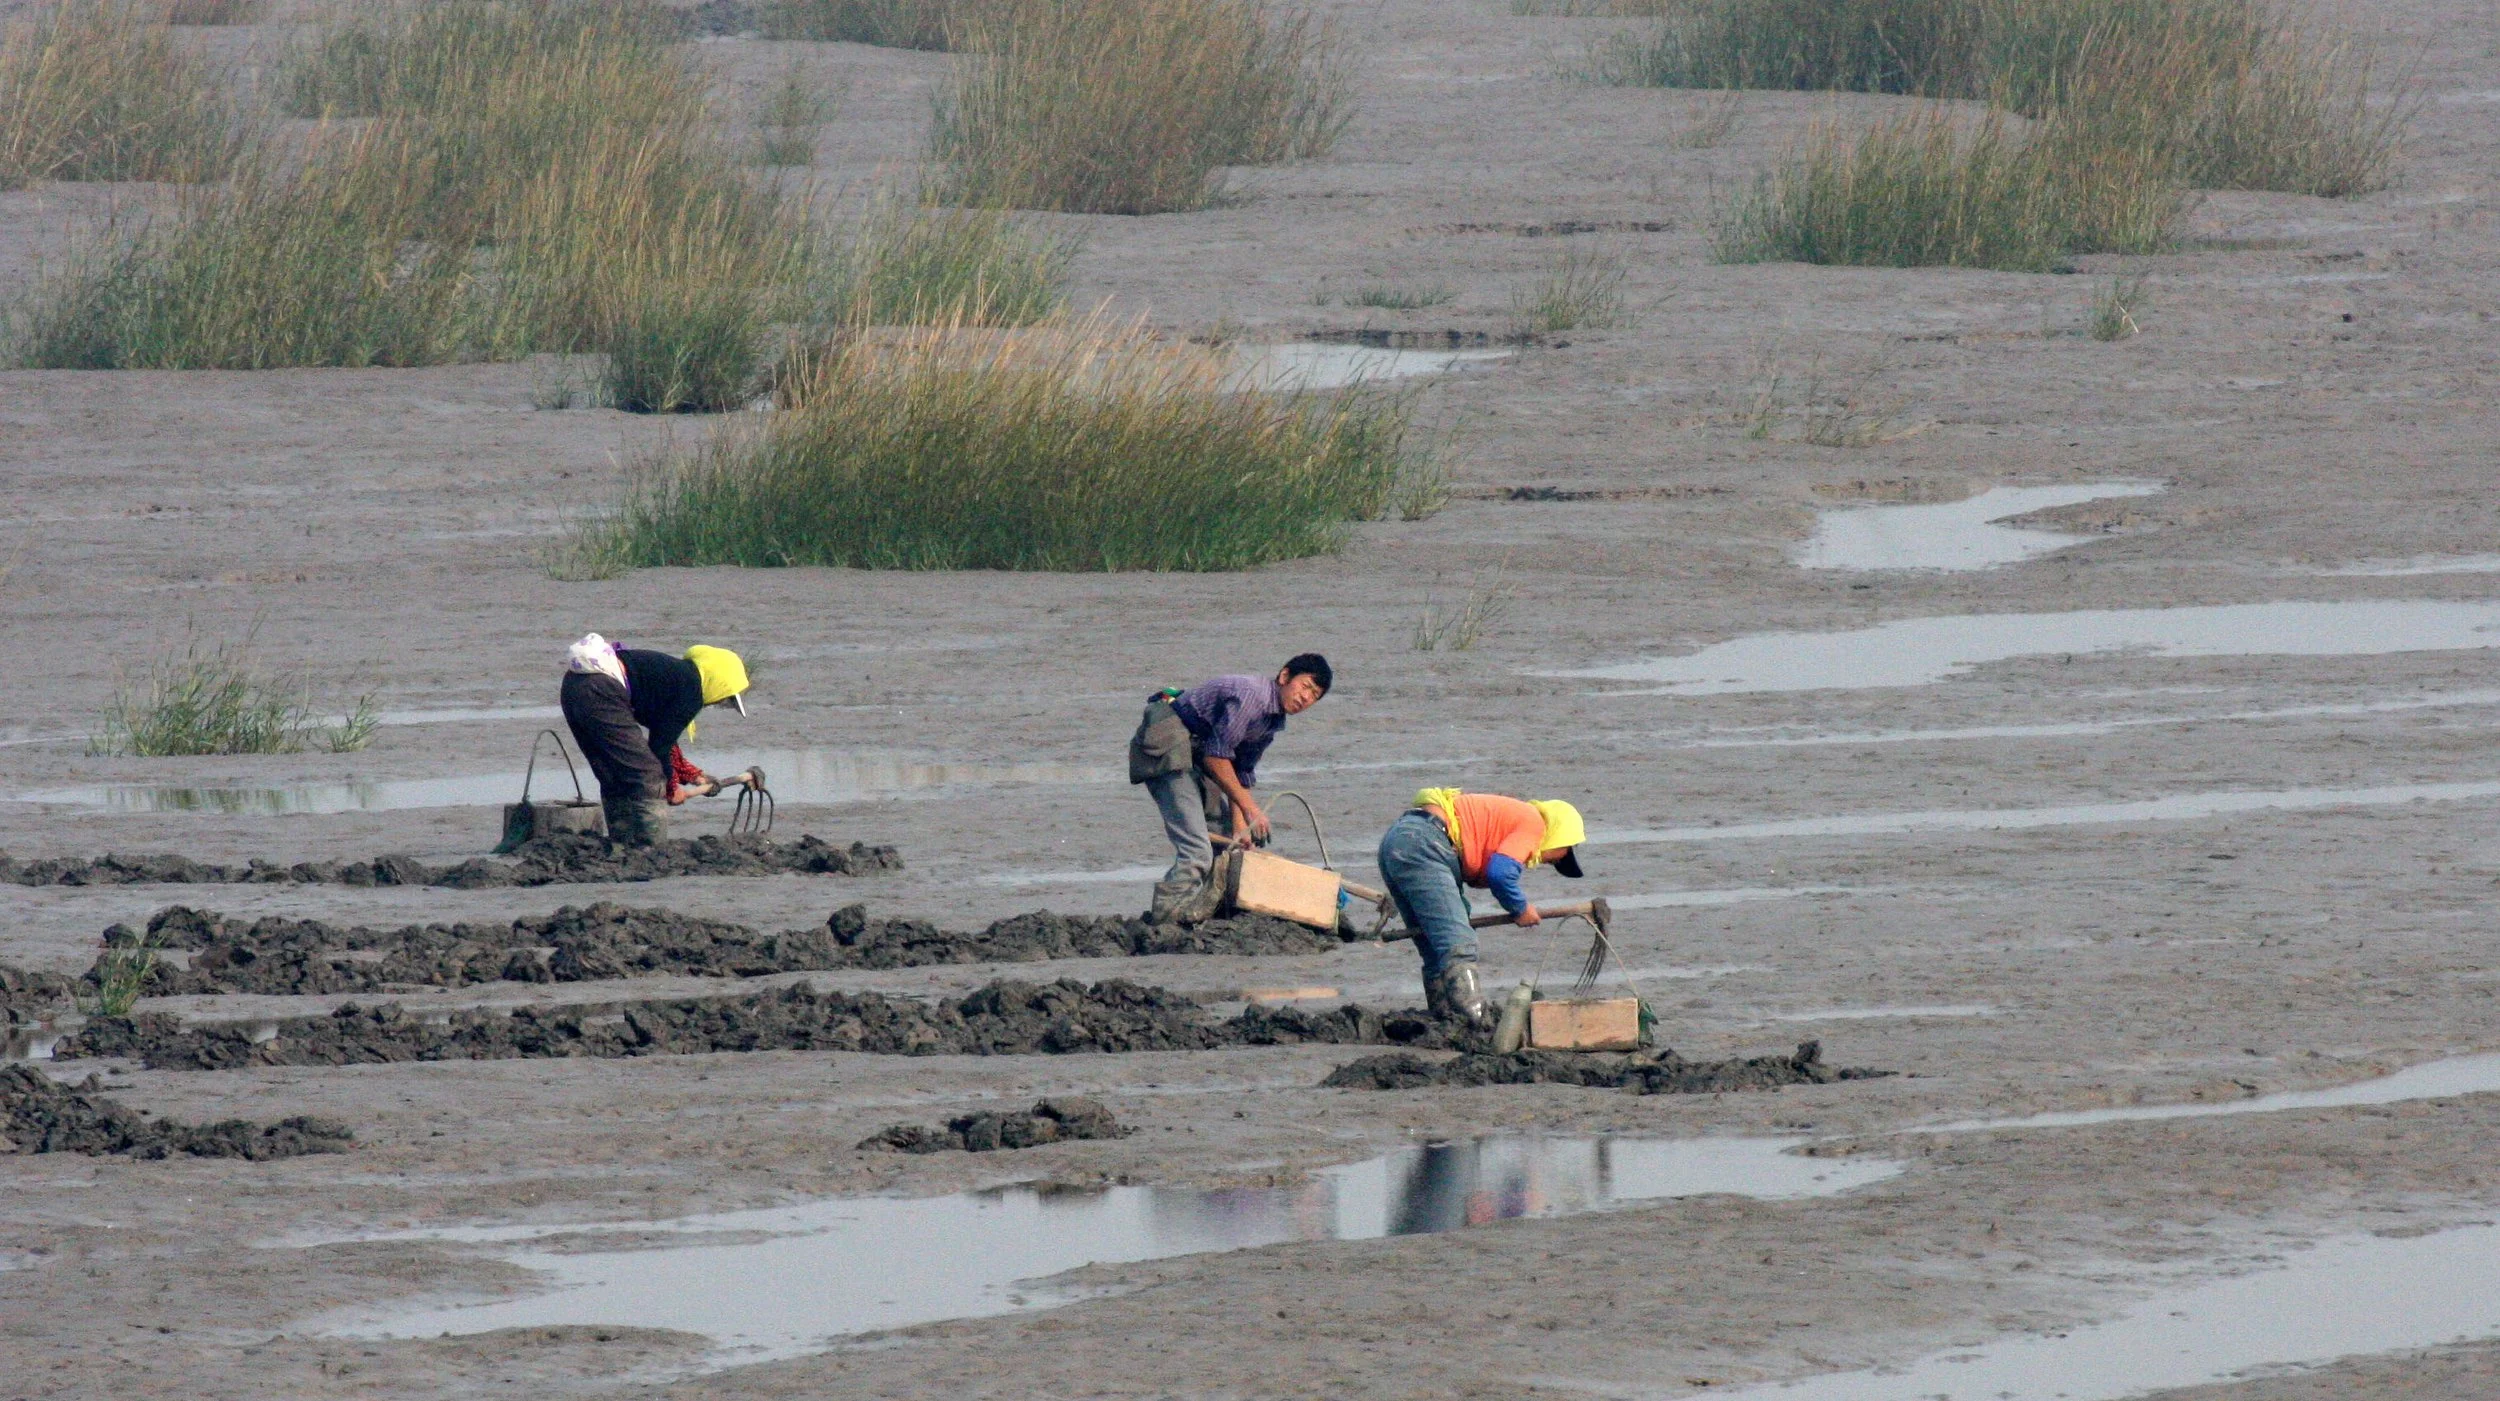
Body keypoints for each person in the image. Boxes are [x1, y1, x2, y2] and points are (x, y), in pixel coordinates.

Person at [1128, 654, 1333, 921]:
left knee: (1227, 844)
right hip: (1169, 741)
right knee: (1197, 850)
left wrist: (1240, 826)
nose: (1307, 699)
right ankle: (1167, 919)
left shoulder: (1271, 721)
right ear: (1284, 677)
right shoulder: (1252, 697)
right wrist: (1251, 809)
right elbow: (1216, 757)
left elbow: (1239, 772)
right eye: (1305, 687)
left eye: (1315, 696)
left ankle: (1208, 913)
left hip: (1198, 752)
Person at [1375, 787, 1586, 1023]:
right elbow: (1501, 873)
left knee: (1435, 945)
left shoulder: (1513, 818)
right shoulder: (1535, 823)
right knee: (1458, 944)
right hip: (1427, 843)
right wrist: (1520, 908)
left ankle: (1444, 1018)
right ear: (1562, 836)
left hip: (1399, 841)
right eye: (1563, 854)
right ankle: (1474, 1022)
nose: (1554, 861)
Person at [558, 633, 752, 847]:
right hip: (602, 690)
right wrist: (671, 788)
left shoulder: (674, 675)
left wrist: (693, 776)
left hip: (573, 686)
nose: (717, 703)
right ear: (719, 685)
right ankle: (650, 846)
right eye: (724, 699)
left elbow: (664, 738)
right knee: (647, 773)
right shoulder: (691, 692)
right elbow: (659, 748)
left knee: (612, 769)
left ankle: (622, 840)